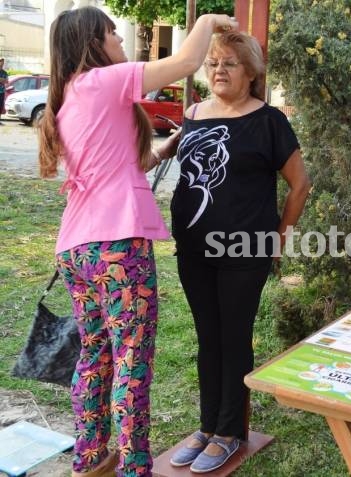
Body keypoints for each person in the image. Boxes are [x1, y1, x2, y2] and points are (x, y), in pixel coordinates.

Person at [38, 7, 237, 477]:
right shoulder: (103, 81)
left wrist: (167, 148)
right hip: (117, 247)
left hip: (76, 248)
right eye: (114, 35)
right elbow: (188, 63)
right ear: (94, 41)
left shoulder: (69, 95)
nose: (123, 44)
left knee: (96, 354)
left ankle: (89, 458)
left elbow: (123, 165)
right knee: (131, 358)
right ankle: (134, 468)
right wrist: (208, 20)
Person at [157, 31, 311, 474]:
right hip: (193, 248)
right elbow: (170, 163)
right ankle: (207, 427)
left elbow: (299, 186)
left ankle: (229, 432)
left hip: (245, 248)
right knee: (208, 337)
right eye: (213, 62)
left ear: (251, 71)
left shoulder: (269, 121)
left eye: (230, 63)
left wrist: (280, 237)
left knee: (233, 335)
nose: (219, 70)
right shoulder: (192, 115)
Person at [0, 58, 8, 124]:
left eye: (3, 62)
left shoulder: (4, 72)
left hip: (2, 92)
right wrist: (2, 80)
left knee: (0, 106)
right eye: (1, 62)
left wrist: (2, 80)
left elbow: (7, 81)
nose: (2, 64)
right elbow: (3, 80)